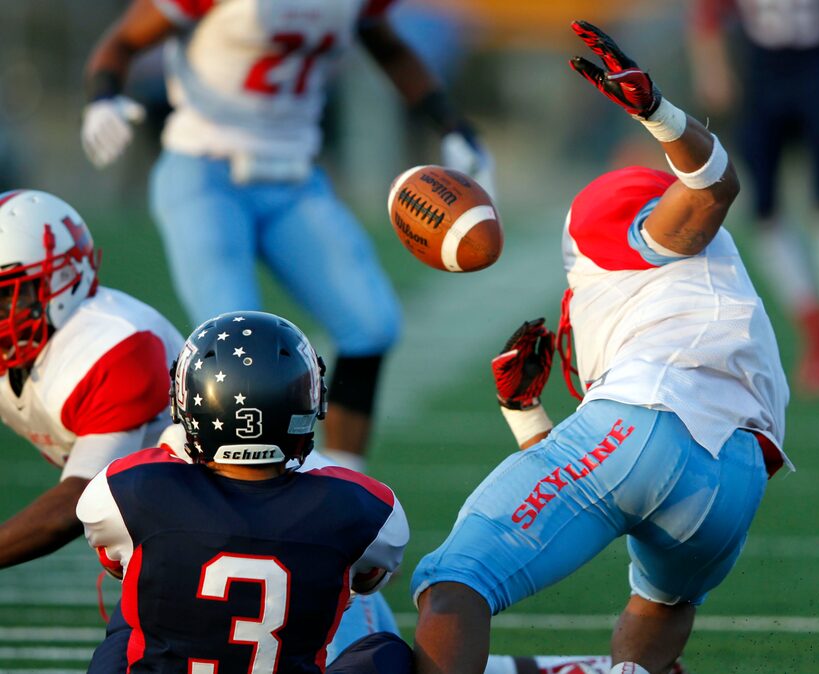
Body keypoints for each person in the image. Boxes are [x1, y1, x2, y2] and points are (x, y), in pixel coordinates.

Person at [410, 21, 789, 674]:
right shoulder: (688, 294)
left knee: (454, 585)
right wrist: (526, 415)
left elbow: (709, 192)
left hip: (652, 420)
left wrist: (660, 115)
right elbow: (617, 481)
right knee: (653, 619)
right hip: (734, 482)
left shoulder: (609, 211)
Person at [80, 0, 495, 472]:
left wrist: (452, 125)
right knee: (235, 348)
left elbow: (390, 48)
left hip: (293, 177)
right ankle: (207, 497)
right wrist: (102, 95)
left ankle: (343, 479)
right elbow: (125, 39)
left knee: (372, 323)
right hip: (204, 169)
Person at [76, 310, 412, 673]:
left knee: (132, 614)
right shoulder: (362, 506)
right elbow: (370, 578)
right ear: (307, 402)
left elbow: (114, 563)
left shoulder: (130, 488)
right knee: (388, 652)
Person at [0, 189, 184, 570]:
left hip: (250, 519)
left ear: (62, 280)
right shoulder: (22, 337)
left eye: (7, 293)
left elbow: (76, 503)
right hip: (166, 523)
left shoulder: (119, 344)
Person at [688, 0, 819, 395]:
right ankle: (814, 326)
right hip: (762, 78)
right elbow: (707, 18)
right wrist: (713, 70)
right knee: (764, 210)